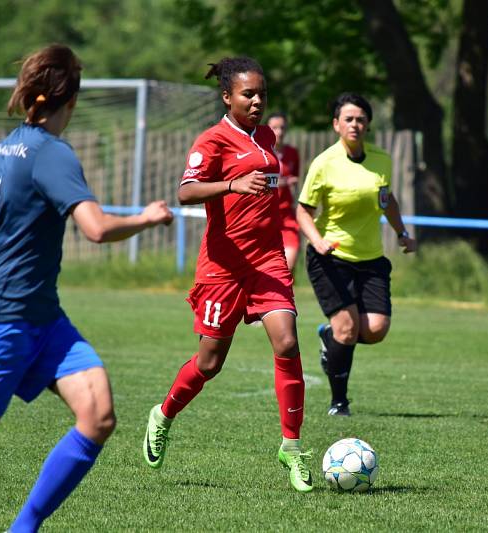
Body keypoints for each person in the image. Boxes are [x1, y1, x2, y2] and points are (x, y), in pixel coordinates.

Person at [0, 44, 174, 533]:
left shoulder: (9, 146)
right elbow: (96, 228)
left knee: (97, 413)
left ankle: (22, 529)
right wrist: (147, 218)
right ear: (71, 101)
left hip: (41, 316)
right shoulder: (51, 154)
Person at [142, 57, 313, 493]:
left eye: (261, 94)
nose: (257, 102)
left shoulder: (268, 136)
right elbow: (184, 192)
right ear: (227, 97)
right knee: (209, 363)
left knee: (288, 341)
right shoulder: (213, 141)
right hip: (223, 267)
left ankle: (291, 448)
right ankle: (163, 415)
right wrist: (232, 186)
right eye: (248, 95)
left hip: (267, 261)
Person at [296, 92, 417, 417]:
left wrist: (402, 233)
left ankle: (329, 337)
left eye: (361, 119)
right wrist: (318, 241)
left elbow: (386, 200)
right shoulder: (324, 163)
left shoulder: (381, 160)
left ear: (368, 125)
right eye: (348, 118)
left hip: (371, 258)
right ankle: (339, 403)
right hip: (330, 257)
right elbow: (303, 212)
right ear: (336, 124)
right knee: (348, 328)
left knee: (375, 330)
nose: (355, 124)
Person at [266, 112, 301, 271]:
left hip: (287, 216)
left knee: (287, 267)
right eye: (274, 128)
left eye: (282, 128)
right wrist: (283, 182)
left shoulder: (292, 153)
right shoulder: (261, 153)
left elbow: (295, 179)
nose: (279, 132)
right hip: (265, 217)